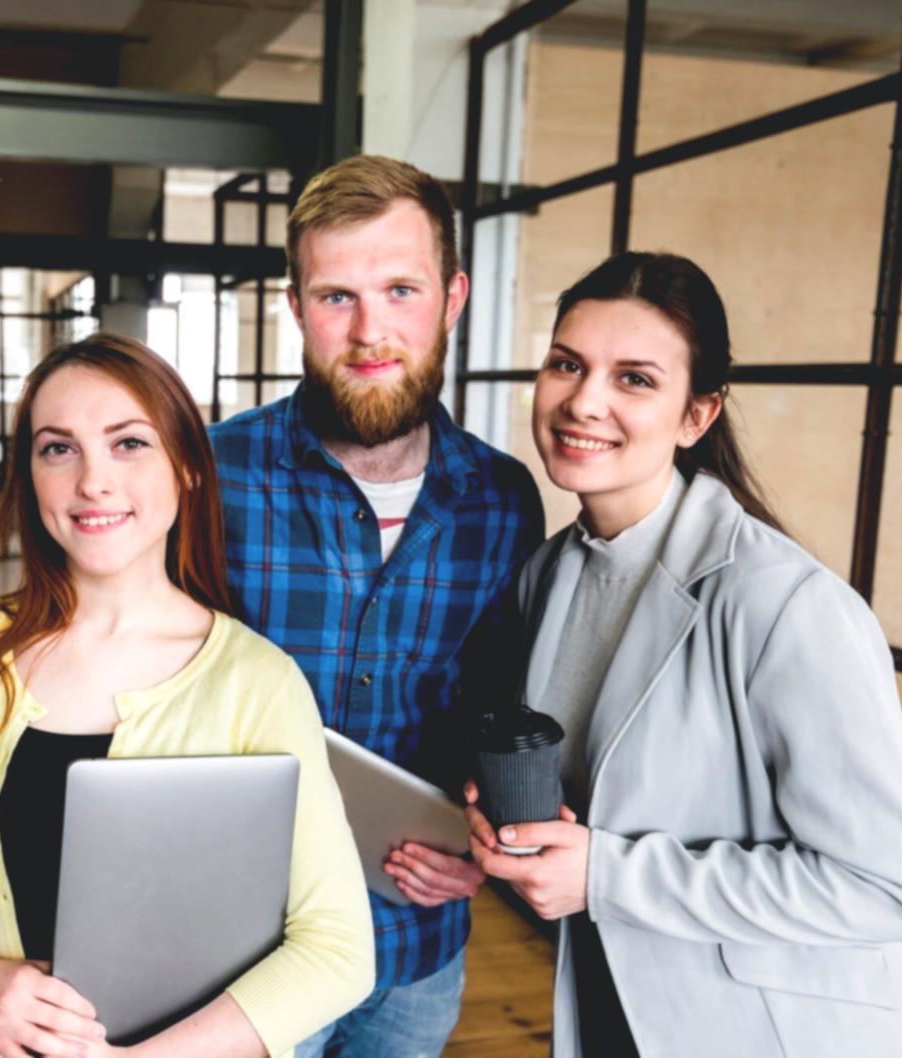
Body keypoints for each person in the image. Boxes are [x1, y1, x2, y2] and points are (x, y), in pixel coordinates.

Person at [465, 251, 902, 1058]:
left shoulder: (782, 602)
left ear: (698, 414)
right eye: (566, 364)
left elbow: (885, 890)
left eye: (635, 379)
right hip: (618, 1009)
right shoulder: (545, 575)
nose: (584, 401)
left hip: (779, 1033)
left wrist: (607, 875)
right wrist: (516, 817)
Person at [0, 334, 374, 1058]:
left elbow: (337, 948)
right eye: (57, 448)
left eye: (128, 443)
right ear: (29, 474)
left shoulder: (259, 681)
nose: (92, 481)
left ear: (186, 467)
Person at [209, 153, 546, 1056]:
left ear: (452, 297)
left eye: (401, 289)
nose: (370, 331)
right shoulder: (206, 475)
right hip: (242, 952)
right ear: (294, 308)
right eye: (336, 297)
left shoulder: (504, 499)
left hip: (416, 945)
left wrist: (482, 840)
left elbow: (493, 709)